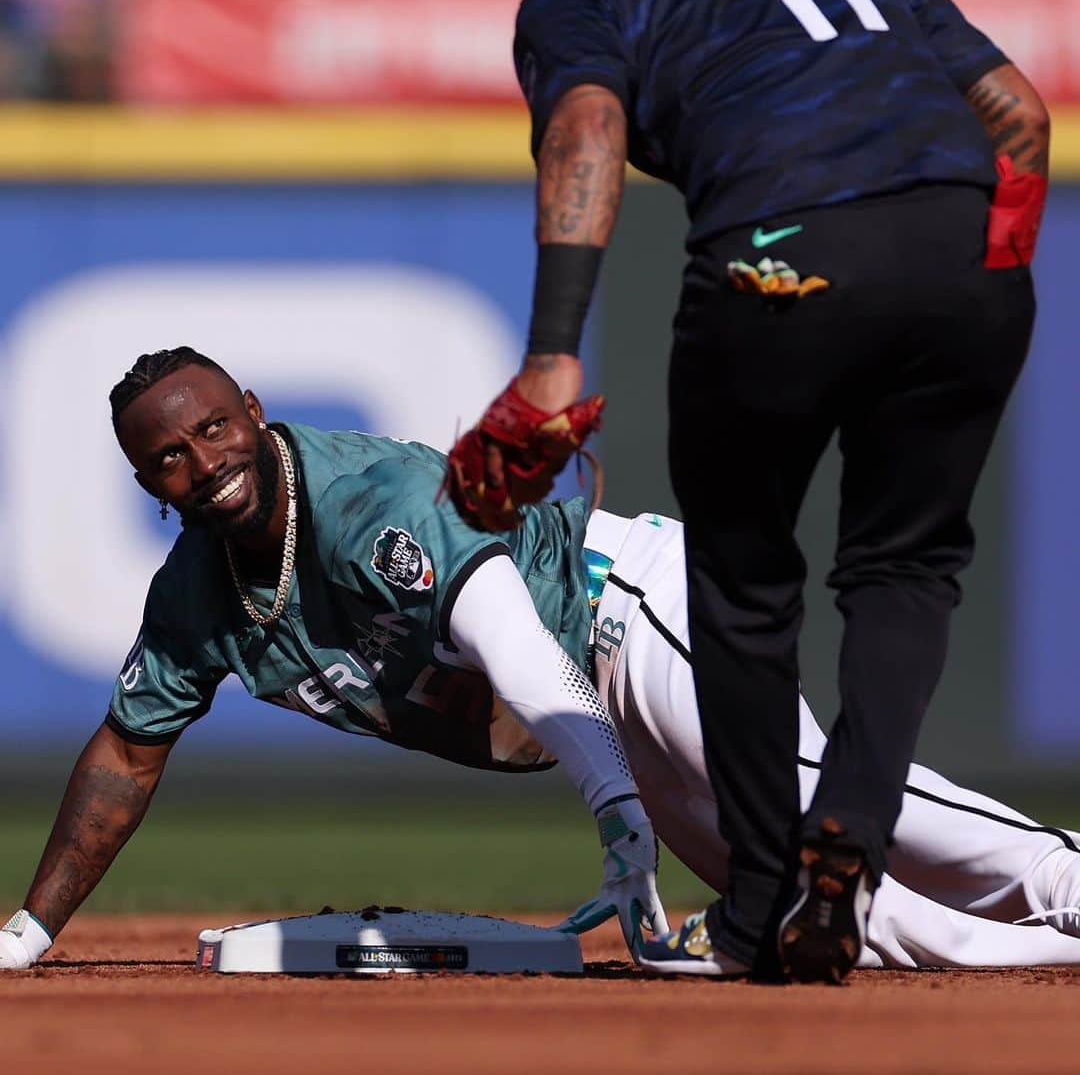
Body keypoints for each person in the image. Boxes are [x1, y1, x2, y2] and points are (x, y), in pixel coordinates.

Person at [445, 0, 1050, 983]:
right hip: (964, 252)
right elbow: (1018, 113)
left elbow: (583, 128)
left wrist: (555, 351)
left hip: (782, 257)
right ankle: (852, 841)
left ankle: (764, 903)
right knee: (908, 567)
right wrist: (976, 267)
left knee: (744, 585)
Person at [4, 349, 1080, 975]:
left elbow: (514, 644)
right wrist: (28, 930)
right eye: (169, 460)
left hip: (626, 607)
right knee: (799, 908)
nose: (203, 465)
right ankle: (1055, 947)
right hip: (593, 707)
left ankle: (1064, 878)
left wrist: (614, 806)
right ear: (151, 485)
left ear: (252, 411)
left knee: (810, 802)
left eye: (211, 430)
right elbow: (126, 753)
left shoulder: (369, 501)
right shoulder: (196, 595)